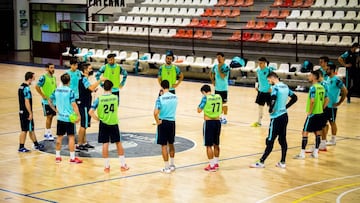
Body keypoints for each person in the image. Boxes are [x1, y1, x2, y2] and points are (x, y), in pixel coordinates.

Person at [250, 72, 297, 169]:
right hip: (284, 116)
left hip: (276, 118)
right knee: (282, 139)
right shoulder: (285, 86)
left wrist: (271, 108)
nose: (269, 82)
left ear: (272, 78)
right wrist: (286, 107)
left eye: (268, 80)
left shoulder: (275, 87)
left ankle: (261, 162)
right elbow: (295, 97)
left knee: (270, 140)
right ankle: (282, 162)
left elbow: (273, 98)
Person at [89, 80, 129, 173]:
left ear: (103, 88)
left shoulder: (99, 99)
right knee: (118, 143)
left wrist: (97, 119)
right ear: (111, 88)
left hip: (103, 123)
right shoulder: (115, 98)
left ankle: (107, 167)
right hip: (113, 123)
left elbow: (90, 112)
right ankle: (123, 165)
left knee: (105, 144)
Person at [294, 70, 328, 160]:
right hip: (320, 113)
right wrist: (322, 108)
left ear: (314, 77)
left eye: (310, 76)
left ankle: (302, 154)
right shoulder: (322, 87)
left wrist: (310, 111)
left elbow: (312, 101)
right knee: (318, 133)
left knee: (305, 133)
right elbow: (327, 99)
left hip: (313, 114)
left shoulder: (313, 88)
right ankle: (315, 153)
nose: (308, 77)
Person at [49, 73, 82, 164]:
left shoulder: (56, 90)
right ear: (69, 81)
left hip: (60, 118)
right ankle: (72, 158)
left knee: (59, 137)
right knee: (71, 137)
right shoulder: (70, 91)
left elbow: (49, 100)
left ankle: (58, 157)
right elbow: (74, 104)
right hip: (69, 118)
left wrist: (55, 109)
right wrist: (78, 115)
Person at [76, 63, 106, 151]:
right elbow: (91, 87)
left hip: (86, 103)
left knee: (85, 125)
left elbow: (90, 89)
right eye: (90, 68)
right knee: (83, 125)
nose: (91, 70)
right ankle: (79, 144)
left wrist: (92, 90)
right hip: (84, 104)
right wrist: (100, 80)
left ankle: (84, 143)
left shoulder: (85, 79)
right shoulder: (84, 79)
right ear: (85, 70)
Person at [153, 80, 178, 173]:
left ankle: (166, 167)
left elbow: (155, 113)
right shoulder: (175, 97)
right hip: (172, 122)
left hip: (163, 122)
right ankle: (172, 165)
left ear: (162, 87)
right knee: (171, 143)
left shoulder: (160, 99)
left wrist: (157, 121)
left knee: (163, 145)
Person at [197, 84, 222, 172]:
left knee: (208, 145)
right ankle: (216, 163)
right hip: (218, 122)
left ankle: (211, 165)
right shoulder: (218, 96)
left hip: (209, 122)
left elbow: (199, 110)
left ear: (203, 92)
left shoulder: (205, 98)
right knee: (216, 144)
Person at [18, 72, 45, 152]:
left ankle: (36, 144)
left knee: (30, 129)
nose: (34, 80)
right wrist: (30, 113)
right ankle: (21, 147)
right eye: (33, 78)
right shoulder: (26, 88)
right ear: (29, 78)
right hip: (26, 112)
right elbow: (27, 101)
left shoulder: (21, 87)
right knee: (25, 130)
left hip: (22, 111)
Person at [323, 62, 348, 146]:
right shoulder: (327, 78)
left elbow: (345, 91)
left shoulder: (337, 80)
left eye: (327, 69)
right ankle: (324, 139)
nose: (326, 70)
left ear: (332, 70)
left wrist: (339, 102)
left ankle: (333, 140)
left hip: (332, 106)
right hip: (325, 105)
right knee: (324, 122)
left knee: (332, 122)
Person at [35, 63, 57, 141]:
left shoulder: (54, 78)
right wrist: (43, 95)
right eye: (51, 68)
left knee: (51, 117)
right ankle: (47, 134)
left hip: (53, 102)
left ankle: (48, 133)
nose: (53, 69)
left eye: (53, 67)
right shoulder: (43, 77)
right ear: (47, 69)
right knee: (49, 117)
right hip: (46, 102)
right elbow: (37, 86)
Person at [251, 57, 275, 127]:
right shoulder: (258, 70)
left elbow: (274, 79)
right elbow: (257, 78)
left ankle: (273, 122)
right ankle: (259, 122)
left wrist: (271, 87)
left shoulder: (269, 70)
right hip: (261, 91)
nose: (259, 64)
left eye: (261, 63)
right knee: (260, 107)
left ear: (264, 63)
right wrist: (256, 85)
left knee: (271, 107)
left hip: (268, 92)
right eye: (258, 63)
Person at [209, 52, 230, 124]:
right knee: (218, 103)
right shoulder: (215, 66)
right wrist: (213, 81)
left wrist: (219, 68)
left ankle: (224, 118)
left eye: (220, 57)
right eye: (217, 57)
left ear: (223, 58)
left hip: (224, 88)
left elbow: (223, 76)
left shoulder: (226, 67)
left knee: (224, 103)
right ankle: (219, 117)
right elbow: (211, 73)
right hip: (217, 88)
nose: (218, 59)